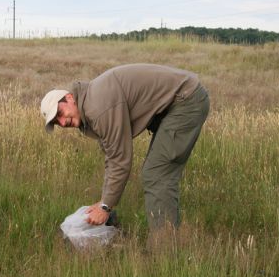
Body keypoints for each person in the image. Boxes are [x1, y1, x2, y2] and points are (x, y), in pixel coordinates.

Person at [40, 64, 209, 236]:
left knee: (156, 174)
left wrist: (105, 207)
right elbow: (111, 155)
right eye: (56, 122)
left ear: (69, 98)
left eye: (60, 113)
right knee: (155, 173)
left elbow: (120, 160)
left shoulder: (97, 107)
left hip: (186, 100)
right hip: (177, 102)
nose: (62, 123)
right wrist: (104, 202)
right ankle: (165, 244)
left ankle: (164, 250)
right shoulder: (89, 107)